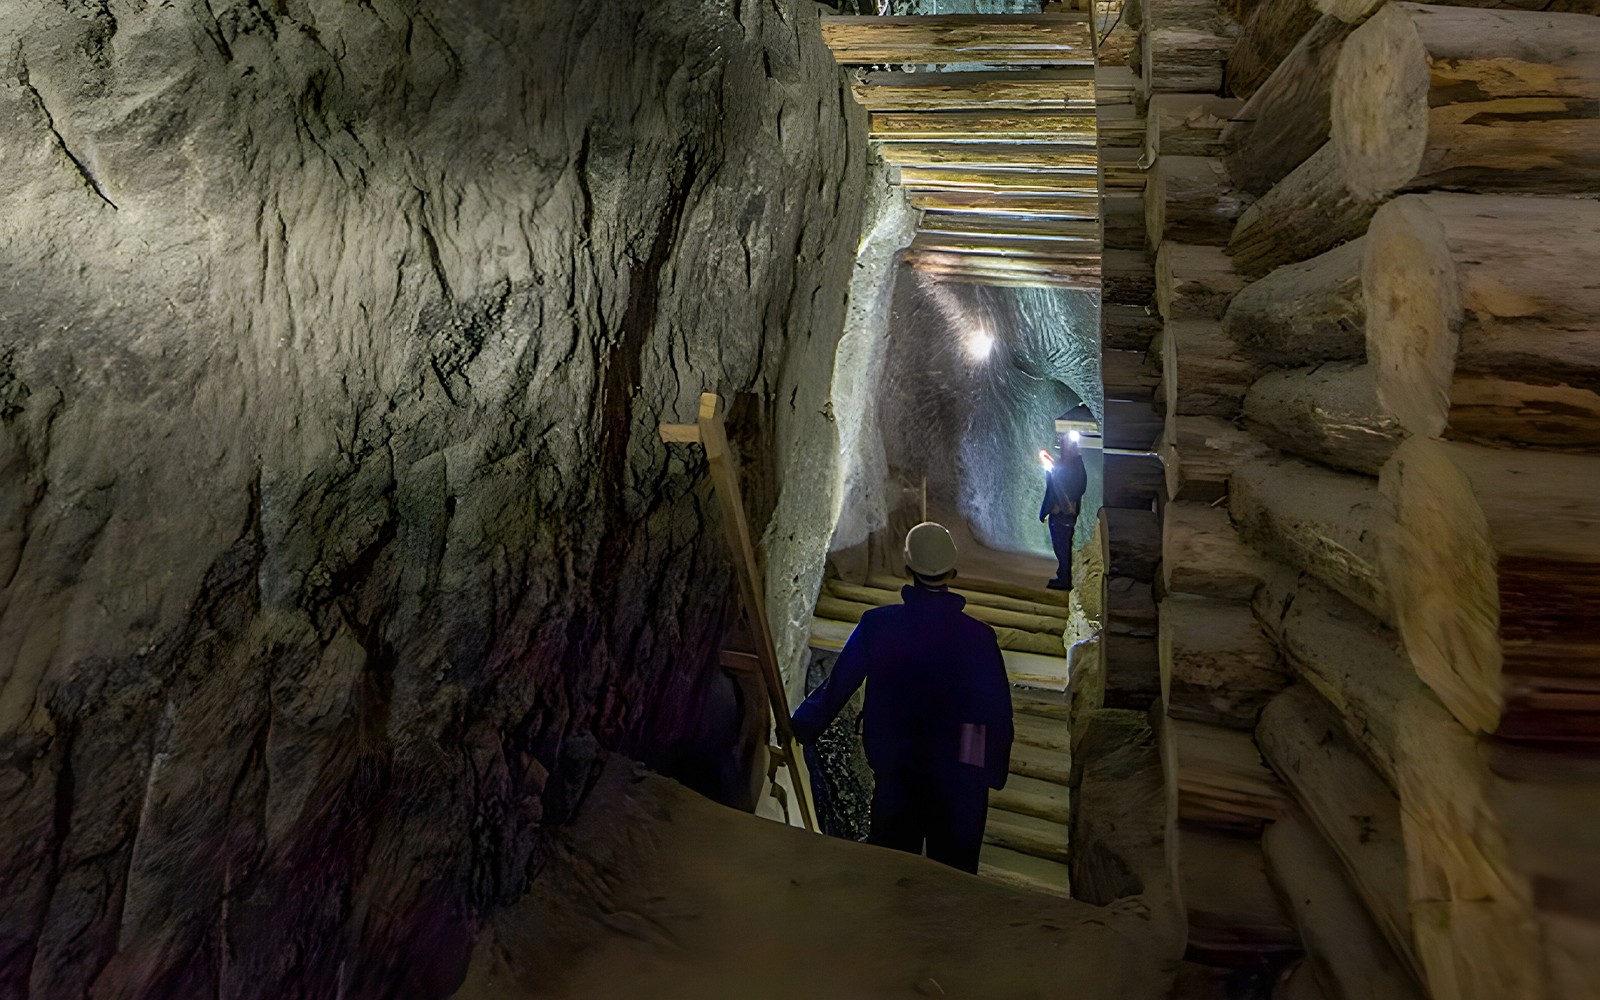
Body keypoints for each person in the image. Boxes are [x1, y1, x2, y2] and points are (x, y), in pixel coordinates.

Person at [791, 522, 1013, 873]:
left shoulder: (878, 625)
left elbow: (838, 686)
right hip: (959, 784)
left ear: (908, 568)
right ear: (952, 570)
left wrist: (802, 725)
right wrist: (983, 773)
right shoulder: (979, 639)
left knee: (889, 879)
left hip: (898, 775)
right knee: (954, 884)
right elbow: (996, 714)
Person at [1039, 435, 1087, 591]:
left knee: (1063, 547)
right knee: (1060, 547)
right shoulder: (1068, 464)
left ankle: (1065, 579)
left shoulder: (1075, 465)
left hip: (1064, 515)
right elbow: (1053, 485)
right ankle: (1063, 576)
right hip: (1059, 514)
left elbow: (1077, 487)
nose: (1062, 445)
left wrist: (1062, 505)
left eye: (1064, 443)